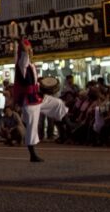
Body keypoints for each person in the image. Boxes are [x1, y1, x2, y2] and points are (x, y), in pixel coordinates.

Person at [11, 32, 68, 162]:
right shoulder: (22, 64)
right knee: (32, 127)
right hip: (30, 101)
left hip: (38, 97)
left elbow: (34, 81)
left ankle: (64, 133)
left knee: (58, 104)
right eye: (29, 49)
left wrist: (40, 82)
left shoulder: (31, 65)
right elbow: (24, 52)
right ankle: (32, 154)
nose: (31, 51)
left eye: (31, 49)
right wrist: (20, 41)